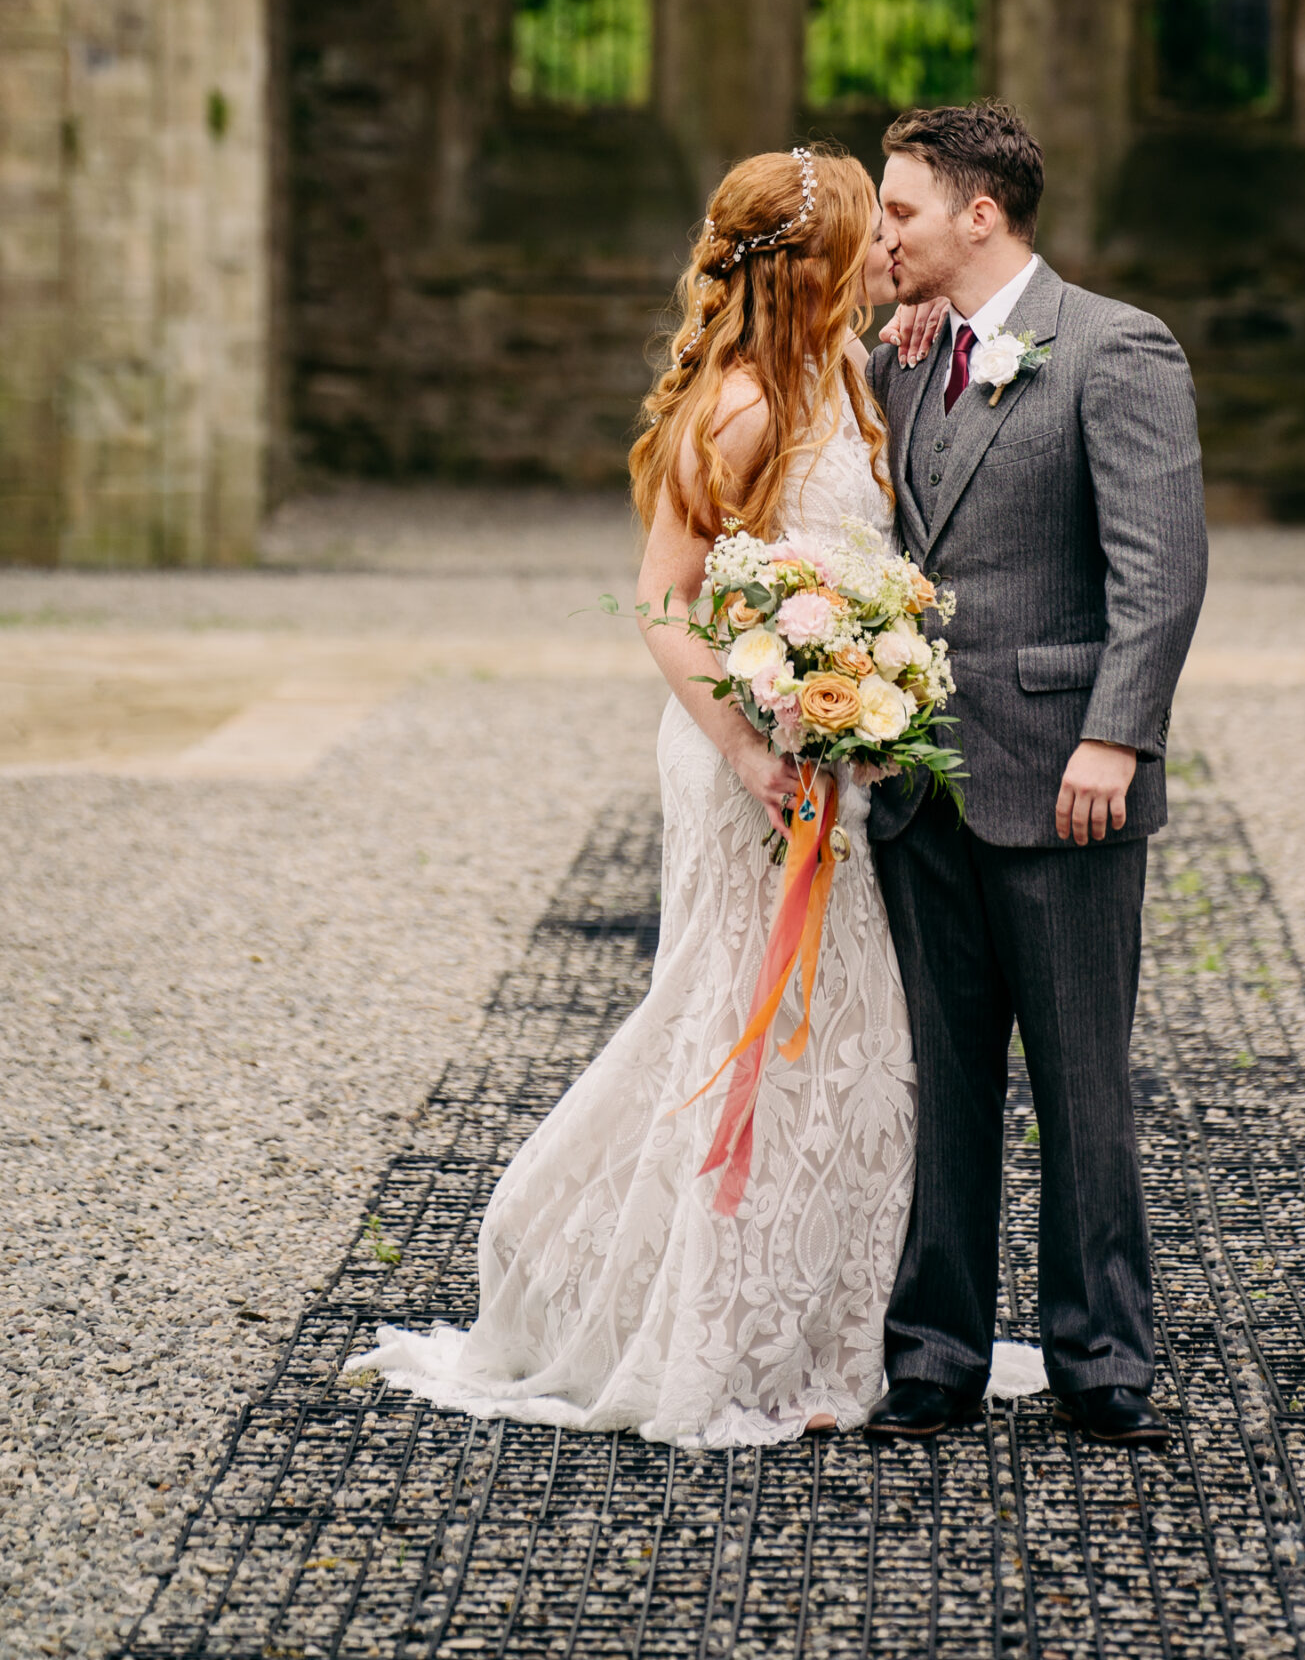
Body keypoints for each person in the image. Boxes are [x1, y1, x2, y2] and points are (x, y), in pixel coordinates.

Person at [345, 147, 921, 1445]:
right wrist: (756, 748)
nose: (889, 255)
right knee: (734, 1015)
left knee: (847, 1036)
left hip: (836, 747)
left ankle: (827, 1324)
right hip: (746, 754)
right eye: (867, 243)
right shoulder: (737, 407)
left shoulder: (847, 381)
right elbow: (666, 603)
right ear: (816, 272)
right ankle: (687, 1315)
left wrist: (869, 687)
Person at [862, 100, 1207, 1447]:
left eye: (900, 213)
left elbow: (1160, 568)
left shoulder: (1118, 349)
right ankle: (935, 1357)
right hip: (920, 784)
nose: (882, 236)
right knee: (939, 1084)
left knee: (1083, 1086)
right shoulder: (897, 359)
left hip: (1069, 778)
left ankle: (1103, 1359)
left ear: (980, 216)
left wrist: (1116, 736)